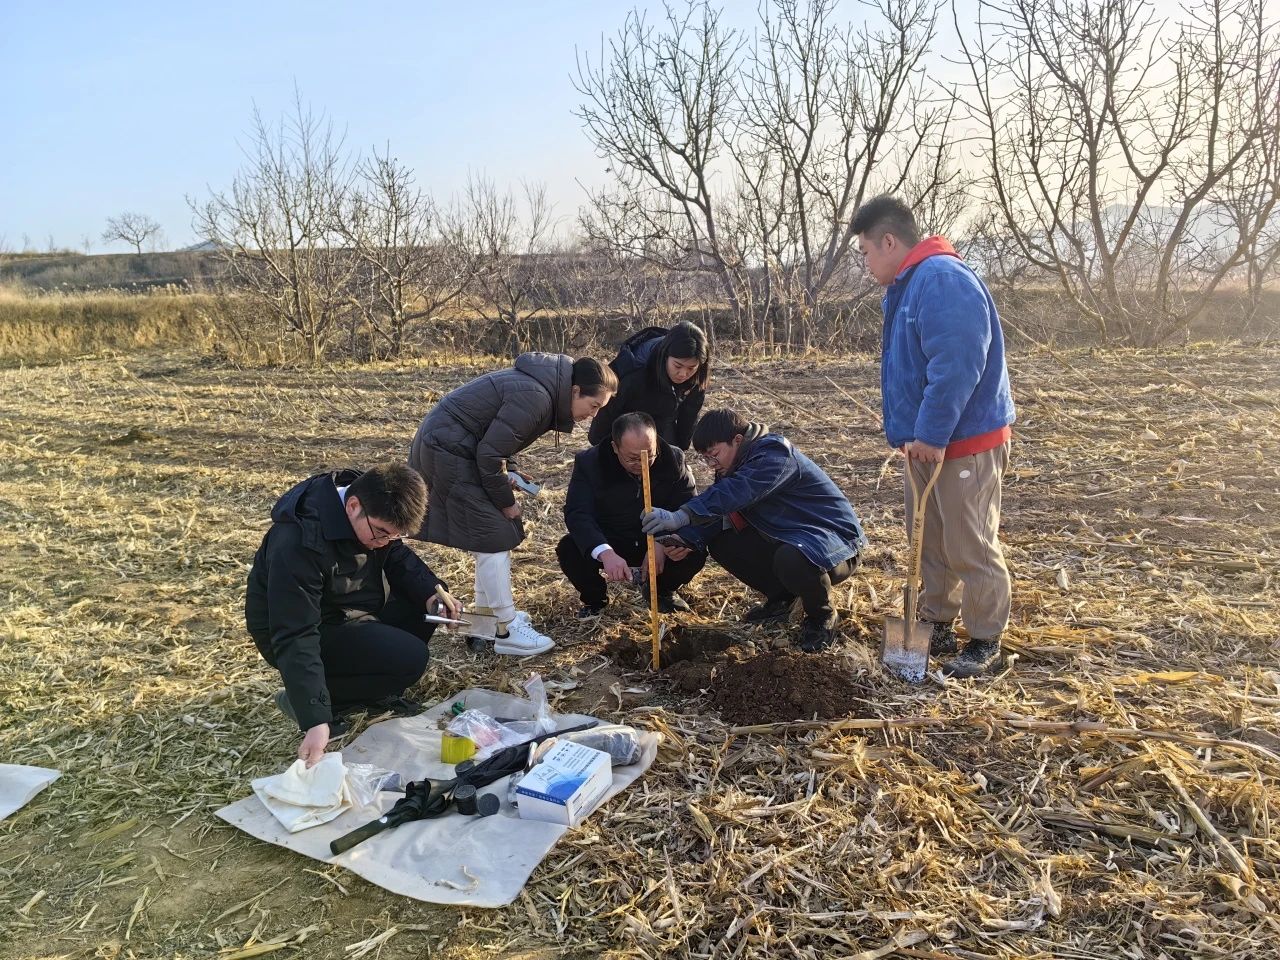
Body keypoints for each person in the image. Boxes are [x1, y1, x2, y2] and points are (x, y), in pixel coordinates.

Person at [851, 194, 1016, 678]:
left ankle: (986, 638)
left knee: (969, 542)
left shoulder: (942, 280)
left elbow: (957, 365)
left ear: (888, 240)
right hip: (926, 442)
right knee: (930, 539)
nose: (865, 264)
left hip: (959, 442)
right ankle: (937, 620)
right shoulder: (911, 284)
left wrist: (932, 433)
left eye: (865, 252)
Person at [246, 464, 462, 767]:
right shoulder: (298, 542)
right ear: (352, 505)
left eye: (395, 535)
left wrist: (432, 594)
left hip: (352, 610)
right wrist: (315, 719)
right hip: (308, 627)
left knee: (422, 605)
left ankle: (370, 686)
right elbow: (296, 633)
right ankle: (316, 697)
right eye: (381, 534)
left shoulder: (373, 502)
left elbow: (397, 556)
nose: (385, 542)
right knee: (410, 660)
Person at [409, 353, 617, 655]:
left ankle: (485, 624)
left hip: (452, 446)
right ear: (575, 391)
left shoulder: (538, 389)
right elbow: (490, 455)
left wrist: (513, 468)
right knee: (495, 535)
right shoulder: (536, 397)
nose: (593, 415)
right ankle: (506, 630)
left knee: (489, 538)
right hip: (448, 452)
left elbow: (497, 437)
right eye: (594, 406)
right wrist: (507, 503)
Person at [641, 409, 867, 653]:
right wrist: (684, 539)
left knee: (792, 557)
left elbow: (737, 492)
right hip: (790, 538)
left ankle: (821, 616)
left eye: (714, 455)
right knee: (721, 540)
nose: (711, 465)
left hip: (835, 543)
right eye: (706, 459)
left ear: (737, 441)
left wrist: (681, 515)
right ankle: (782, 599)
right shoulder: (734, 466)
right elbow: (720, 514)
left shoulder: (774, 454)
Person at [558, 411, 707, 618]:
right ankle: (595, 600)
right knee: (569, 548)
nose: (642, 464)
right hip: (613, 539)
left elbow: (689, 507)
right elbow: (578, 513)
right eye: (632, 459)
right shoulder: (590, 463)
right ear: (615, 447)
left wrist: (662, 542)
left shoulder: (673, 460)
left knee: (693, 548)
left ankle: (663, 591)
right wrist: (605, 552)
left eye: (650, 455)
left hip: (657, 542)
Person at [588, 321, 710, 451]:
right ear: (665, 355)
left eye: (691, 368)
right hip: (626, 433)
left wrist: (679, 453)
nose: (683, 374)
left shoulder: (697, 375)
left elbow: (689, 414)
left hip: (663, 427)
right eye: (677, 366)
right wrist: (605, 452)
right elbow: (603, 421)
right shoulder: (632, 372)